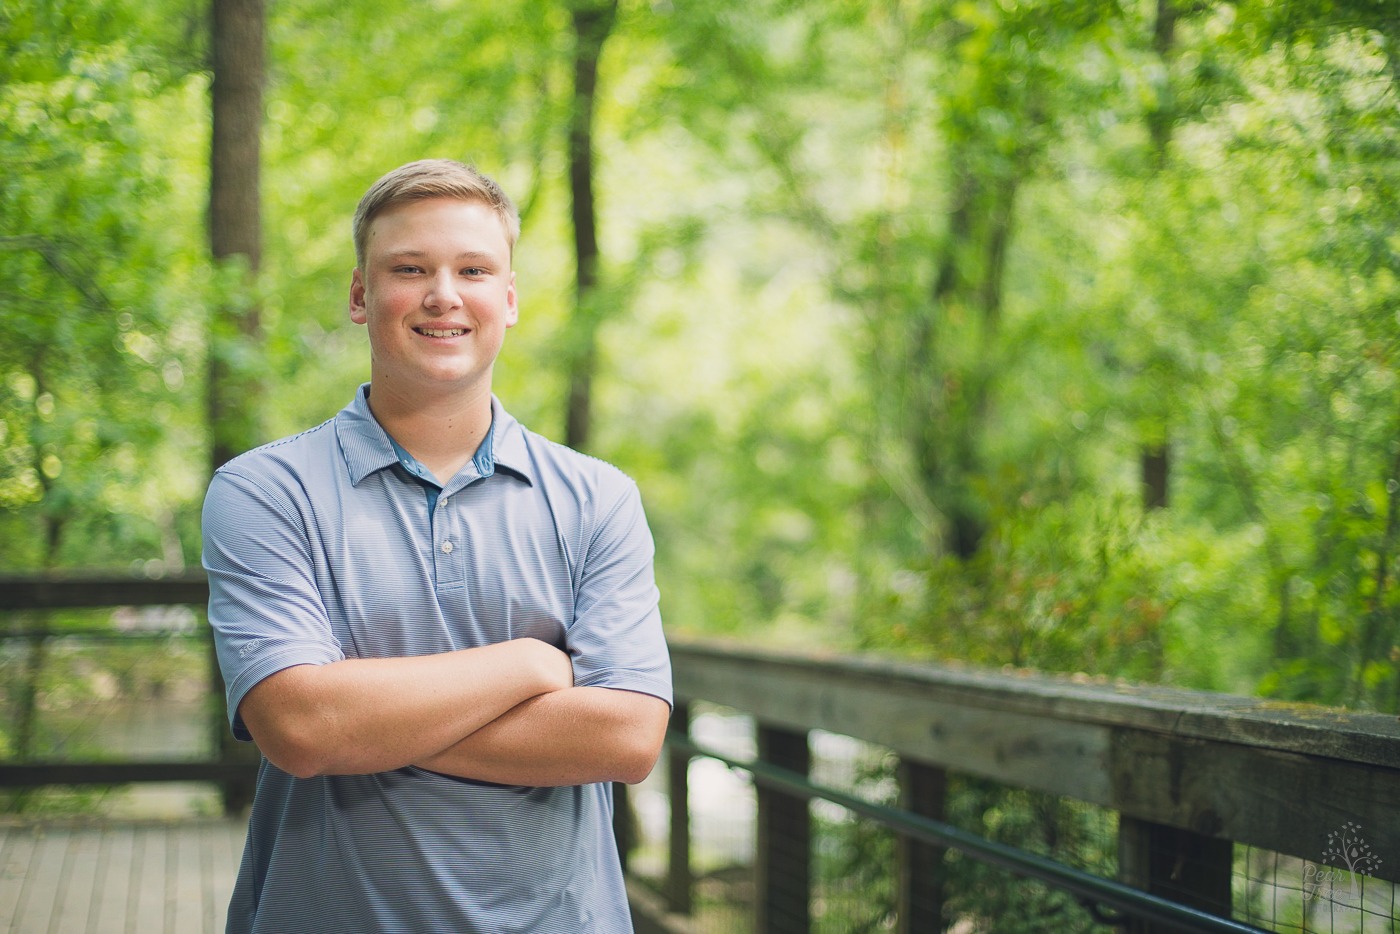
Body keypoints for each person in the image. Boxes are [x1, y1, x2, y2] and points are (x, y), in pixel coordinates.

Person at [202, 158, 673, 933]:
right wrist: (530, 666)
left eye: (474, 269)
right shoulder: (265, 490)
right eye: (409, 268)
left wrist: (363, 720)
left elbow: (626, 737)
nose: (443, 294)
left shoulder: (598, 498)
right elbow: (301, 728)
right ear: (361, 294)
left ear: (510, 299)